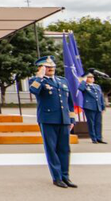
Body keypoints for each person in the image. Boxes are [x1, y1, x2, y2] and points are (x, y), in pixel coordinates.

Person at [29, 56, 77, 189]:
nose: (51, 69)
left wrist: (71, 118)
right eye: (47, 67)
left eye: (52, 67)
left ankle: (65, 176)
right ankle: (57, 177)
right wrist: (39, 76)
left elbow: (69, 102)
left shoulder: (63, 81)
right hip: (48, 119)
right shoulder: (36, 80)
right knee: (52, 149)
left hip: (63, 119)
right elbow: (33, 90)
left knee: (64, 149)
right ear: (41, 68)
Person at [78, 73, 107, 144]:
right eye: (90, 77)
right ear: (86, 78)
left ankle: (99, 138)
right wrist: (83, 81)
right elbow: (80, 89)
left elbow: (101, 97)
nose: (92, 78)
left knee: (98, 123)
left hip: (98, 106)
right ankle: (94, 138)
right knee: (91, 123)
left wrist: (103, 107)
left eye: (92, 77)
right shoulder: (84, 86)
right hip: (89, 107)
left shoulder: (97, 86)